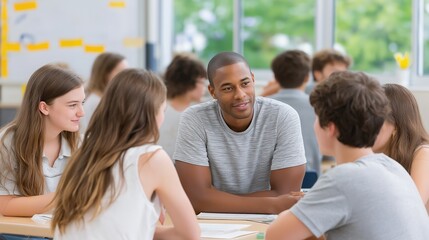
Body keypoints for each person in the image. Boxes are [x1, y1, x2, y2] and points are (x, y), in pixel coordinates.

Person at [266, 71, 429, 240]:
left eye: (316, 118)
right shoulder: (392, 167)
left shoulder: (344, 178)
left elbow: (275, 235)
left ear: (330, 127)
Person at [52, 69, 200, 240]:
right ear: (152, 113)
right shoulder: (152, 158)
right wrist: (145, 227)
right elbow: (189, 235)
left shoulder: (84, 153)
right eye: (163, 110)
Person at [174, 52, 306, 214]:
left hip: (268, 225)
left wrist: (213, 200)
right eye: (228, 88)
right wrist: (272, 204)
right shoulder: (195, 118)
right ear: (212, 91)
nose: (240, 95)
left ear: (253, 79)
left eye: (245, 84)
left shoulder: (283, 116)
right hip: (213, 226)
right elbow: (195, 199)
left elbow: (286, 196)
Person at [0, 64, 85, 217]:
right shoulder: (8, 142)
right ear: (44, 108)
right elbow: (5, 206)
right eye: (73, 105)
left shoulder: (78, 143)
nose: (82, 112)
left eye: (82, 103)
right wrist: (65, 197)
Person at [373, 84, 429, 213]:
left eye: (375, 120)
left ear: (395, 127)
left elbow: (413, 208)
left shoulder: (423, 154)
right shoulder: (381, 157)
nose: (367, 128)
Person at [269, 50, 322, 174]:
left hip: (270, 180)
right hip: (310, 178)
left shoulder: (261, 107)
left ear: (276, 78)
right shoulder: (319, 107)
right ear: (307, 78)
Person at [158, 53, 207, 158]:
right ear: (189, 83)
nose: (205, 87)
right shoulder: (161, 111)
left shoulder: (201, 110)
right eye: (202, 82)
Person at [80, 52, 128, 133]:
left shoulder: (103, 98)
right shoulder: (96, 102)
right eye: (121, 72)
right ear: (105, 74)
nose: (126, 77)